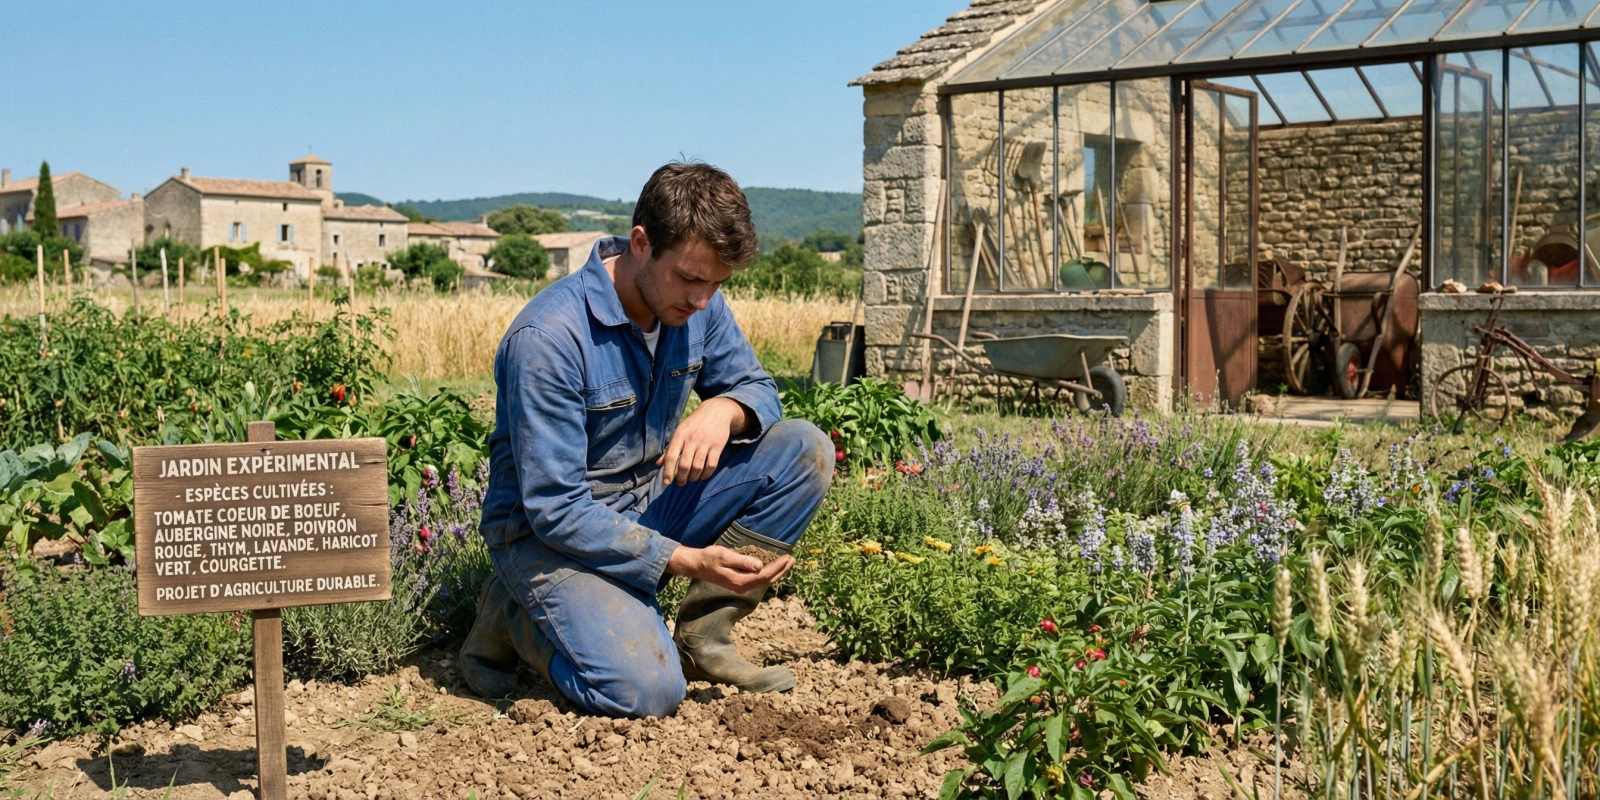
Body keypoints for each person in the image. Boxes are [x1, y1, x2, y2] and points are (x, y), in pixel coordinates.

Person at [460, 162, 834, 718]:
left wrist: (724, 410)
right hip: (547, 537)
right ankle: (515, 617)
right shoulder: (549, 338)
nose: (703, 299)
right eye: (690, 278)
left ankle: (705, 639)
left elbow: (757, 388)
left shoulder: (697, 303)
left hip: (648, 500)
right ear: (641, 243)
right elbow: (555, 509)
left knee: (805, 450)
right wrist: (683, 559)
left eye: (717, 283)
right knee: (644, 692)